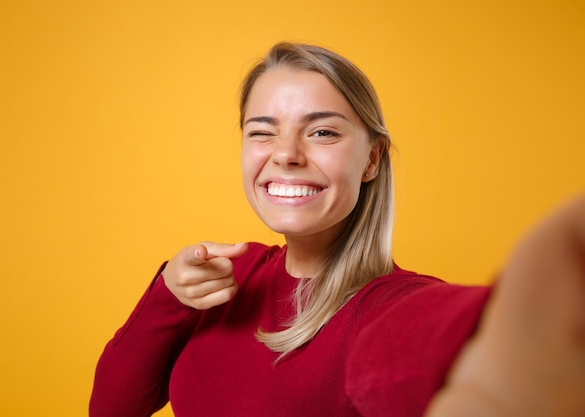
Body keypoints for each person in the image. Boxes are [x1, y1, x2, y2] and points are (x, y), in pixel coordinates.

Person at [89, 42, 585, 417]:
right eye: (261, 131)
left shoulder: (389, 305)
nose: (285, 154)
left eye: (322, 131)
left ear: (372, 159)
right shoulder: (225, 274)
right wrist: (170, 293)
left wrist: (524, 314)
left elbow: (437, 340)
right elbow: (112, 406)